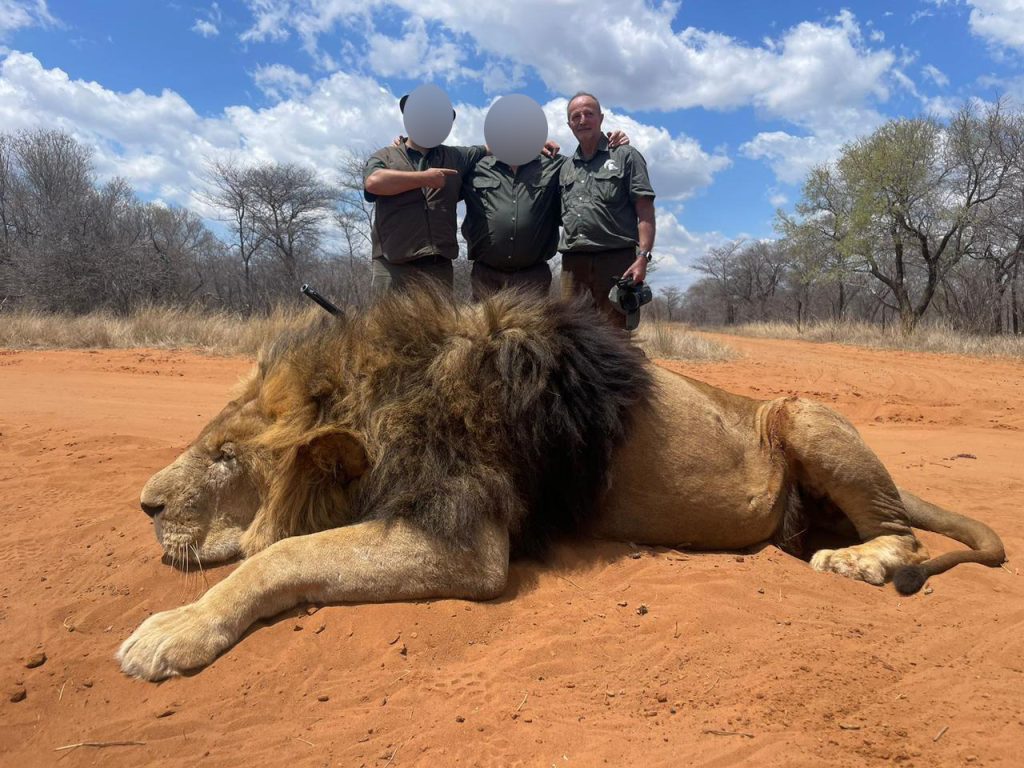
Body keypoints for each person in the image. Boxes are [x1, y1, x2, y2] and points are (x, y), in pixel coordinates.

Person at [461, 129, 630, 301]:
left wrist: (612, 147)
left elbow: (589, 165)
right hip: (486, 276)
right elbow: (449, 161)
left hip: (532, 277)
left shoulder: (555, 164)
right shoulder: (475, 166)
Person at [363, 94, 487, 296]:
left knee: (440, 319)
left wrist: (535, 146)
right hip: (392, 267)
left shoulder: (456, 156)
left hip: (438, 267)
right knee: (388, 319)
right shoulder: (385, 155)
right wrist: (424, 178)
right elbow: (373, 183)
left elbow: (493, 148)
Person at [558, 92, 656, 328]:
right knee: (571, 335)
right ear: (569, 124)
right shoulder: (564, 167)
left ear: (601, 118)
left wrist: (643, 257)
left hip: (616, 262)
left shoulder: (626, 156)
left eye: (589, 114)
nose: (582, 120)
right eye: (576, 116)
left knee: (615, 336)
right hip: (573, 265)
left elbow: (645, 210)